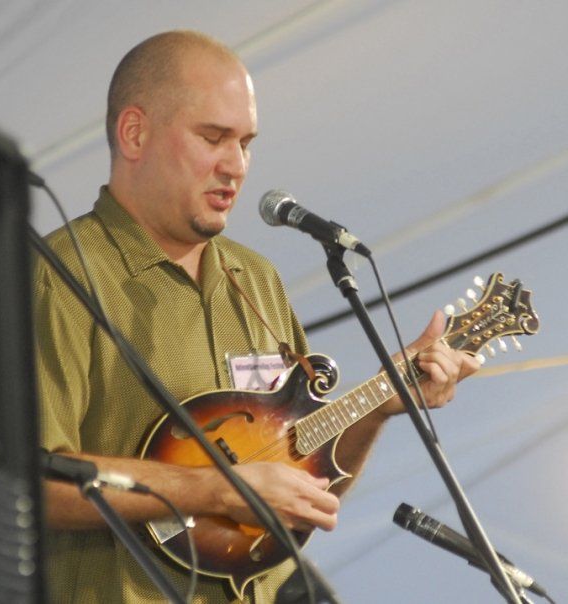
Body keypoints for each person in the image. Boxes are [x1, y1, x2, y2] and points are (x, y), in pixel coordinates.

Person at [34, 30, 480, 603]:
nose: (236, 165)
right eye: (213, 138)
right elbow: (29, 480)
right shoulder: (56, 275)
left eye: (246, 143)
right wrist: (217, 489)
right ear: (134, 133)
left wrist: (378, 409)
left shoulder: (257, 279)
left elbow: (296, 494)